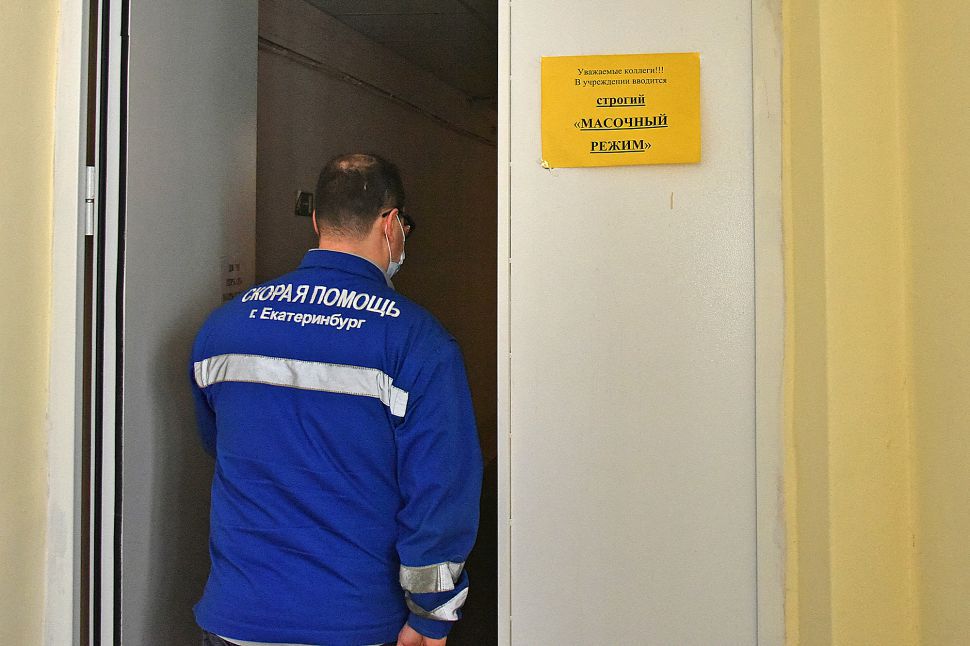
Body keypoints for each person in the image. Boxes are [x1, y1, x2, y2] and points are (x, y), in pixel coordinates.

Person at [189, 153, 483, 646]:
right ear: (391, 225)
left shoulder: (223, 328)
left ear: (316, 221)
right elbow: (439, 489)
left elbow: (219, 442)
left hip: (236, 615)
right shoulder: (417, 342)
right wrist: (432, 614)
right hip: (353, 620)